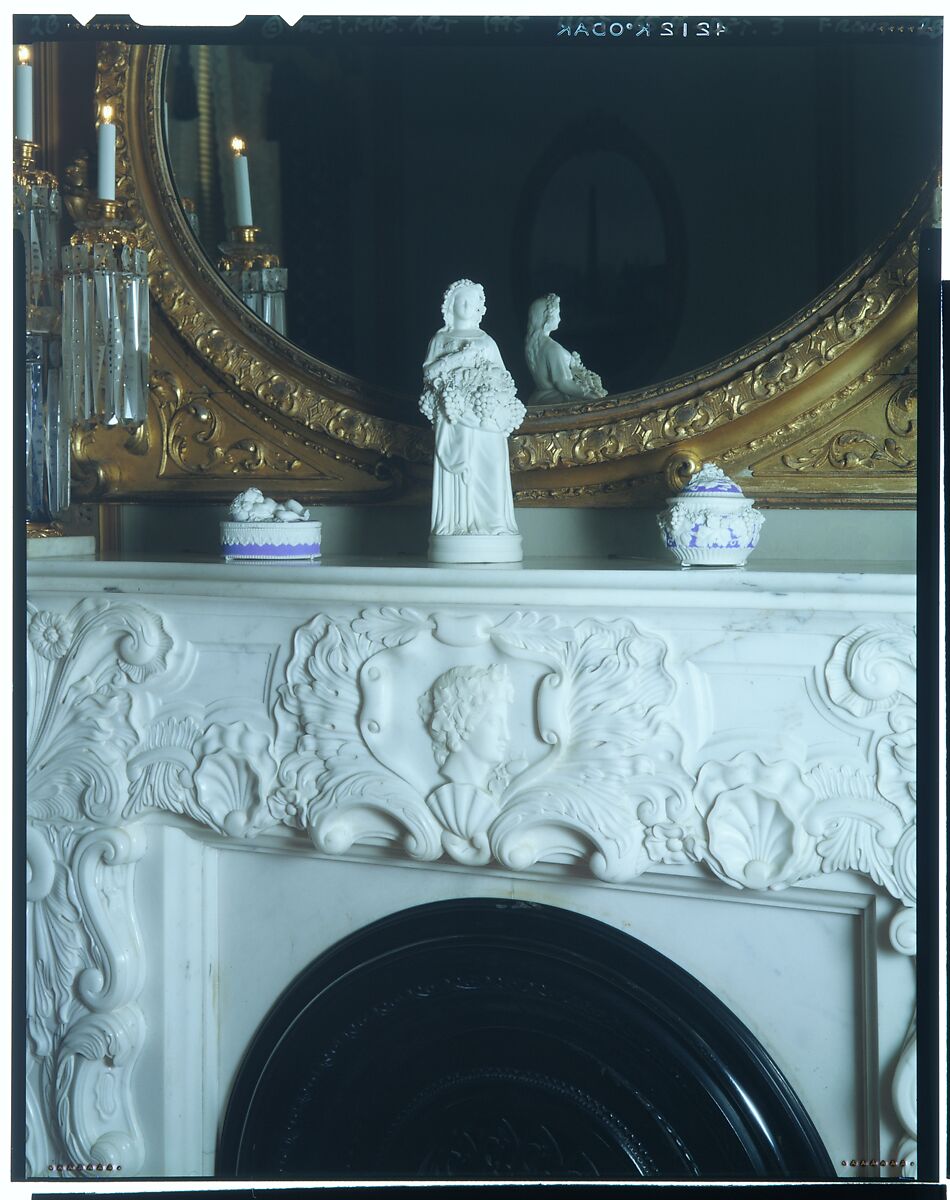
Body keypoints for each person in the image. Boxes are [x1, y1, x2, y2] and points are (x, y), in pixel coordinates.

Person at [420, 280, 524, 559]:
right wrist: (460, 358)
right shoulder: (440, 340)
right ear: (450, 306)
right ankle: (458, 524)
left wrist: (490, 399)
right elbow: (429, 375)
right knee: (460, 471)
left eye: (471, 301)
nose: (466, 306)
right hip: (454, 421)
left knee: (491, 466)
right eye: (461, 301)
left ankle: (494, 524)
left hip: (484, 420)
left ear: (479, 307)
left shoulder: (486, 341)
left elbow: (503, 379)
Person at [524, 293, 606, 405]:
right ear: (547, 316)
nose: (560, 318)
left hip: (539, 398)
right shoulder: (552, 348)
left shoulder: (532, 346)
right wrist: (590, 395)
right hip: (558, 399)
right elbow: (563, 383)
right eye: (557, 314)